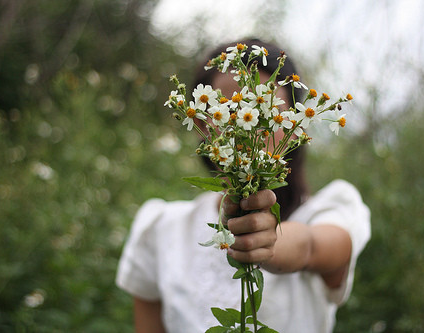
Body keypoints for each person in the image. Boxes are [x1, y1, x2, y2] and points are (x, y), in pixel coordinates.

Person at [116, 39, 371, 333]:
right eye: (226, 106)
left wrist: (269, 242)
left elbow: (312, 247)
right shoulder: (162, 228)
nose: (240, 124)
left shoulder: (331, 210)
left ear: (294, 124)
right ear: (201, 121)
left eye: (262, 110)